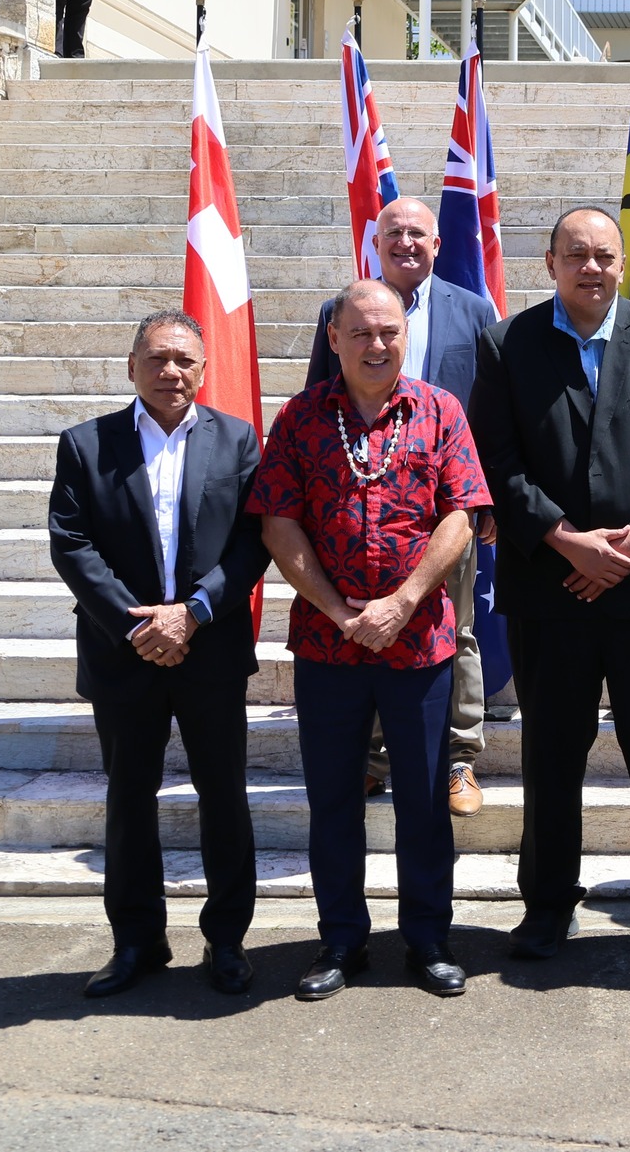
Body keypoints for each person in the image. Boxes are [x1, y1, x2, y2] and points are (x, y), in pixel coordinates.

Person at [469, 207, 630, 960]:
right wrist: (565, 541)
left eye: (604, 256)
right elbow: (497, 460)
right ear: (549, 263)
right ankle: (548, 903)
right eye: (575, 255)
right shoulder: (506, 344)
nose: (591, 268)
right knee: (552, 752)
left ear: (624, 266)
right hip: (551, 590)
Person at [251, 279, 491, 1001]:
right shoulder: (299, 419)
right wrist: (336, 607)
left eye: (389, 332)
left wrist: (403, 600)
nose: (377, 344)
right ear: (334, 338)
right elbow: (278, 522)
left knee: (422, 798)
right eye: (361, 332)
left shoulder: (441, 410)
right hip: (328, 648)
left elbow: (462, 514)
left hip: (418, 645)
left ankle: (427, 936)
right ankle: (342, 939)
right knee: (333, 799)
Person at [47, 311, 270, 998]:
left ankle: (226, 939)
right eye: (158, 358)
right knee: (129, 799)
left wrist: (193, 612)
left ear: (204, 370)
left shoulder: (236, 440)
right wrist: (137, 623)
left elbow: (254, 543)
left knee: (224, 796)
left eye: (186, 360)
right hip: (125, 653)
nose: (172, 371)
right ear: (132, 366)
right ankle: (137, 941)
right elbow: (71, 541)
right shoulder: (86, 444)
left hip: (210, 649)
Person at [306, 196, 499, 816]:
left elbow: (493, 409)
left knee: (456, 628)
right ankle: (370, 759)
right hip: (355, 506)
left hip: (443, 506)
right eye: (394, 233)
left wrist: (484, 495)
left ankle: (459, 758)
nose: (407, 243)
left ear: (438, 245)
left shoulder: (473, 311)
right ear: (375, 242)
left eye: (418, 233)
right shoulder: (338, 312)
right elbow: (317, 402)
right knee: (362, 621)